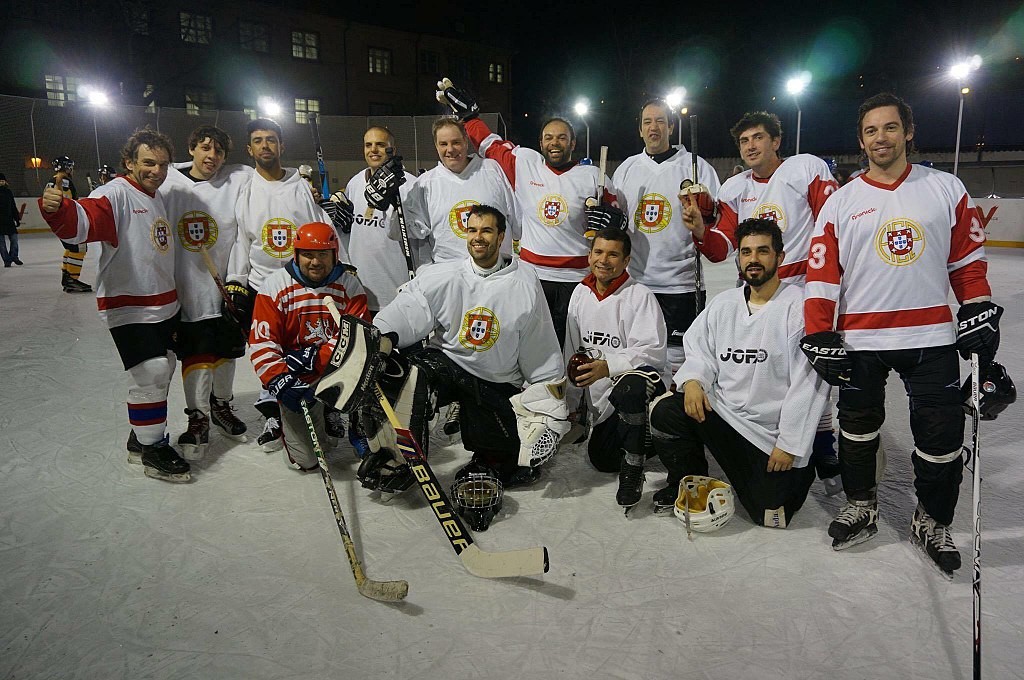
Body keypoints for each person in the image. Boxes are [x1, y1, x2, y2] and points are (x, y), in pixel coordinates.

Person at [802, 92, 1002, 577]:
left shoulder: (945, 188)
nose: (881, 138)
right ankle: (861, 504)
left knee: (941, 437)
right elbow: (822, 275)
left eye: (890, 128)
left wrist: (978, 311)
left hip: (931, 336)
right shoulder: (841, 201)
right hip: (861, 340)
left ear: (908, 132)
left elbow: (966, 263)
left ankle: (931, 519)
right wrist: (818, 333)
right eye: (871, 131)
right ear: (861, 140)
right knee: (856, 429)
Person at [317, 204, 568, 528]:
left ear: (501, 236)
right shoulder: (445, 275)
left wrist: (545, 405)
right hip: (447, 364)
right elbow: (410, 308)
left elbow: (541, 346)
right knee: (403, 374)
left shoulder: (524, 283)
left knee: (506, 464)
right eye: (473, 230)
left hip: (497, 381)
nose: (478, 237)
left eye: (487, 230)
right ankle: (396, 456)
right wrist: (382, 336)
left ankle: (488, 453)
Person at [650, 218, 829, 527]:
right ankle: (690, 479)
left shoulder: (798, 308)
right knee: (667, 411)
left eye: (762, 251)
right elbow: (700, 349)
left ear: (780, 257)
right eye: (746, 252)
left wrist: (790, 444)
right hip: (726, 415)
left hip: (770, 435)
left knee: (770, 515)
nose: (753, 259)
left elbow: (809, 383)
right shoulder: (724, 304)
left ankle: (812, 461)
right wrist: (693, 381)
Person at [700, 110, 843, 493]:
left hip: (804, 288)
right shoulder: (734, 187)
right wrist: (700, 230)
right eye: (744, 141)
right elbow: (722, 247)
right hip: (759, 291)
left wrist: (829, 283)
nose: (751, 146)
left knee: (811, 369)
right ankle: (761, 433)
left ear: (776, 141)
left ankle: (824, 444)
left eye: (758, 138)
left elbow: (833, 223)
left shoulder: (805, 168)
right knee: (764, 367)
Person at [39, 127, 191, 482]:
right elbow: (82, 223)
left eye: (162, 164)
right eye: (148, 163)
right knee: (152, 372)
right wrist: (59, 210)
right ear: (129, 162)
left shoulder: (155, 195)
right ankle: (152, 448)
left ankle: (141, 437)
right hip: (129, 305)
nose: (156, 170)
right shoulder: (115, 194)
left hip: (162, 303)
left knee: (164, 367)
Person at [437, 78, 625, 349]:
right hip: (533, 275)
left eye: (562, 137)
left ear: (573, 143)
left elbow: (616, 224)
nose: (554, 143)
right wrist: (470, 119)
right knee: (532, 345)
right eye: (549, 137)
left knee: (576, 347)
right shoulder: (526, 164)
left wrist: (614, 222)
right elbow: (490, 145)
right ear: (540, 142)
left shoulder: (594, 176)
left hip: (578, 278)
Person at [227, 117, 351, 452]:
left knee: (315, 346)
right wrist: (237, 281)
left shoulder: (301, 187)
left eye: (271, 139)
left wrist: (342, 267)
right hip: (262, 286)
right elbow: (242, 239)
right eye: (258, 140)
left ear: (281, 145)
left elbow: (323, 230)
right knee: (270, 349)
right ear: (249, 148)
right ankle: (274, 411)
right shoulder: (245, 189)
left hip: (304, 284)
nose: (265, 146)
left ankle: (328, 404)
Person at [160, 125, 253, 459]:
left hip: (226, 285)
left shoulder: (238, 180)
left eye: (219, 151)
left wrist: (238, 280)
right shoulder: (169, 183)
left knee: (227, 350)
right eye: (204, 148)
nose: (211, 156)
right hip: (188, 290)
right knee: (197, 353)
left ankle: (221, 405)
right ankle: (197, 417)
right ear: (191, 149)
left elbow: (245, 231)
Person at [612, 98, 724, 371]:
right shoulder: (627, 169)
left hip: (681, 285)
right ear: (640, 129)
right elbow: (618, 224)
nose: (654, 127)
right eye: (647, 122)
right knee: (635, 358)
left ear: (671, 127)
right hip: (636, 283)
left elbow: (716, 221)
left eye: (660, 121)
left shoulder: (696, 167)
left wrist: (708, 213)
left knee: (679, 363)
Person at [564, 228, 670, 510]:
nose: (604, 260)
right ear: (589, 256)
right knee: (603, 460)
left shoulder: (640, 296)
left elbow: (652, 353)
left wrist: (607, 367)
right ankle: (651, 439)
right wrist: (572, 406)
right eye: (598, 252)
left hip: (638, 390)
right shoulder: (580, 293)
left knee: (630, 386)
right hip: (603, 403)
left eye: (613, 255)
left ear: (626, 261)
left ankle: (634, 469)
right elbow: (572, 353)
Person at [249, 222, 368, 470]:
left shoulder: (349, 285)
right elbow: (262, 342)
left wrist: (317, 358)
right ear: (296, 254)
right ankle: (293, 412)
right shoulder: (274, 286)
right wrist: (280, 380)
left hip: (337, 369)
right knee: (307, 460)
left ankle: (351, 418)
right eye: (308, 254)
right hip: (296, 375)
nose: (315, 262)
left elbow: (358, 335)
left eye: (323, 254)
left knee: (374, 365)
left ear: (334, 254)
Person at [399, 117, 519, 265]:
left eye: (456, 142)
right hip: (449, 272)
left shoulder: (492, 169)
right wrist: (392, 205)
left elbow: (517, 219)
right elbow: (405, 230)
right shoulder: (425, 184)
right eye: (443, 144)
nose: (450, 149)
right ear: (436, 146)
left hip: (495, 271)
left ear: (466, 142)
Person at [342, 125, 424, 314]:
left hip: (397, 292)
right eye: (368, 145)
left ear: (392, 150)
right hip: (360, 291)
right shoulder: (355, 182)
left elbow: (421, 234)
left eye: (380, 144)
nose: (373, 150)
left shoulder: (410, 184)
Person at [48, 156, 93, 292]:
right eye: (70, 167)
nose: (72, 170)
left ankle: (66, 277)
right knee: (79, 248)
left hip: (59, 221)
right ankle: (72, 280)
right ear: (66, 167)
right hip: (68, 221)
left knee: (70, 248)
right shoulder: (64, 181)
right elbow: (68, 201)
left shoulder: (52, 180)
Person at [0, 173, 22, 267]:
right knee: (1, 243)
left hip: (9, 220)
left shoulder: (8, 192)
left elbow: (13, 206)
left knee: (14, 239)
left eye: (2, 181)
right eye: (0, 181)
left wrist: (17, 219)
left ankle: (14, 256)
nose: (1, 182)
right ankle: (7, 260)